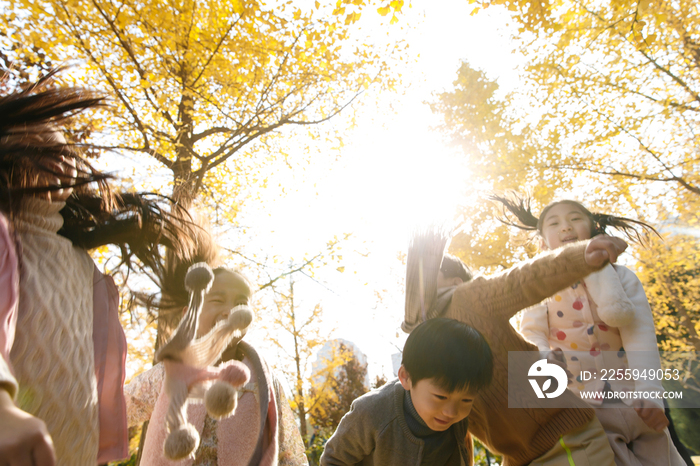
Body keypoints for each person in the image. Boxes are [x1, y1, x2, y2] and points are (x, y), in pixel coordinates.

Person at [0, 73, 195, 465]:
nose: (57, 156)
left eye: (63, 150)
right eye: (36, 146)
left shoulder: (88, 272)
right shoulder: (7, 236)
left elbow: (100, 376)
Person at [401, 224, 626, 465]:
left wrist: (579, 257)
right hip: (517, 456)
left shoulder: (468, 298)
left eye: (434, 271)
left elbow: (522, 281)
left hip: (563, 438)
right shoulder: (425, 344)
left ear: (456, 281)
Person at [493, 194, 685, 466]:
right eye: (554, 223)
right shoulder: (539, 288)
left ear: (594, 227)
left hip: (634, 401)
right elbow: (531, 333)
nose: (566, 227)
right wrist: (544, 360)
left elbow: (639, 336)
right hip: (583, 405)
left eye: (575, 219)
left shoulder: (622, 277)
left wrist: (650, 393)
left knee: (662, 458)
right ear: (542, 241)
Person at [125, 263, 308, 465]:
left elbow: (288, 451)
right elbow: (117, 409)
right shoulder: (167, 374)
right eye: (218, 300)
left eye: (241, 303)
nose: (230, 311)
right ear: (189, 314)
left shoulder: (264, 383)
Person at [320, 317, 493, 465]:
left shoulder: (456, 420)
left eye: (466, 400)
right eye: (440, 397)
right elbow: (333, 460)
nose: (451, 412)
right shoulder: (372, 413)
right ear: (406, 377)